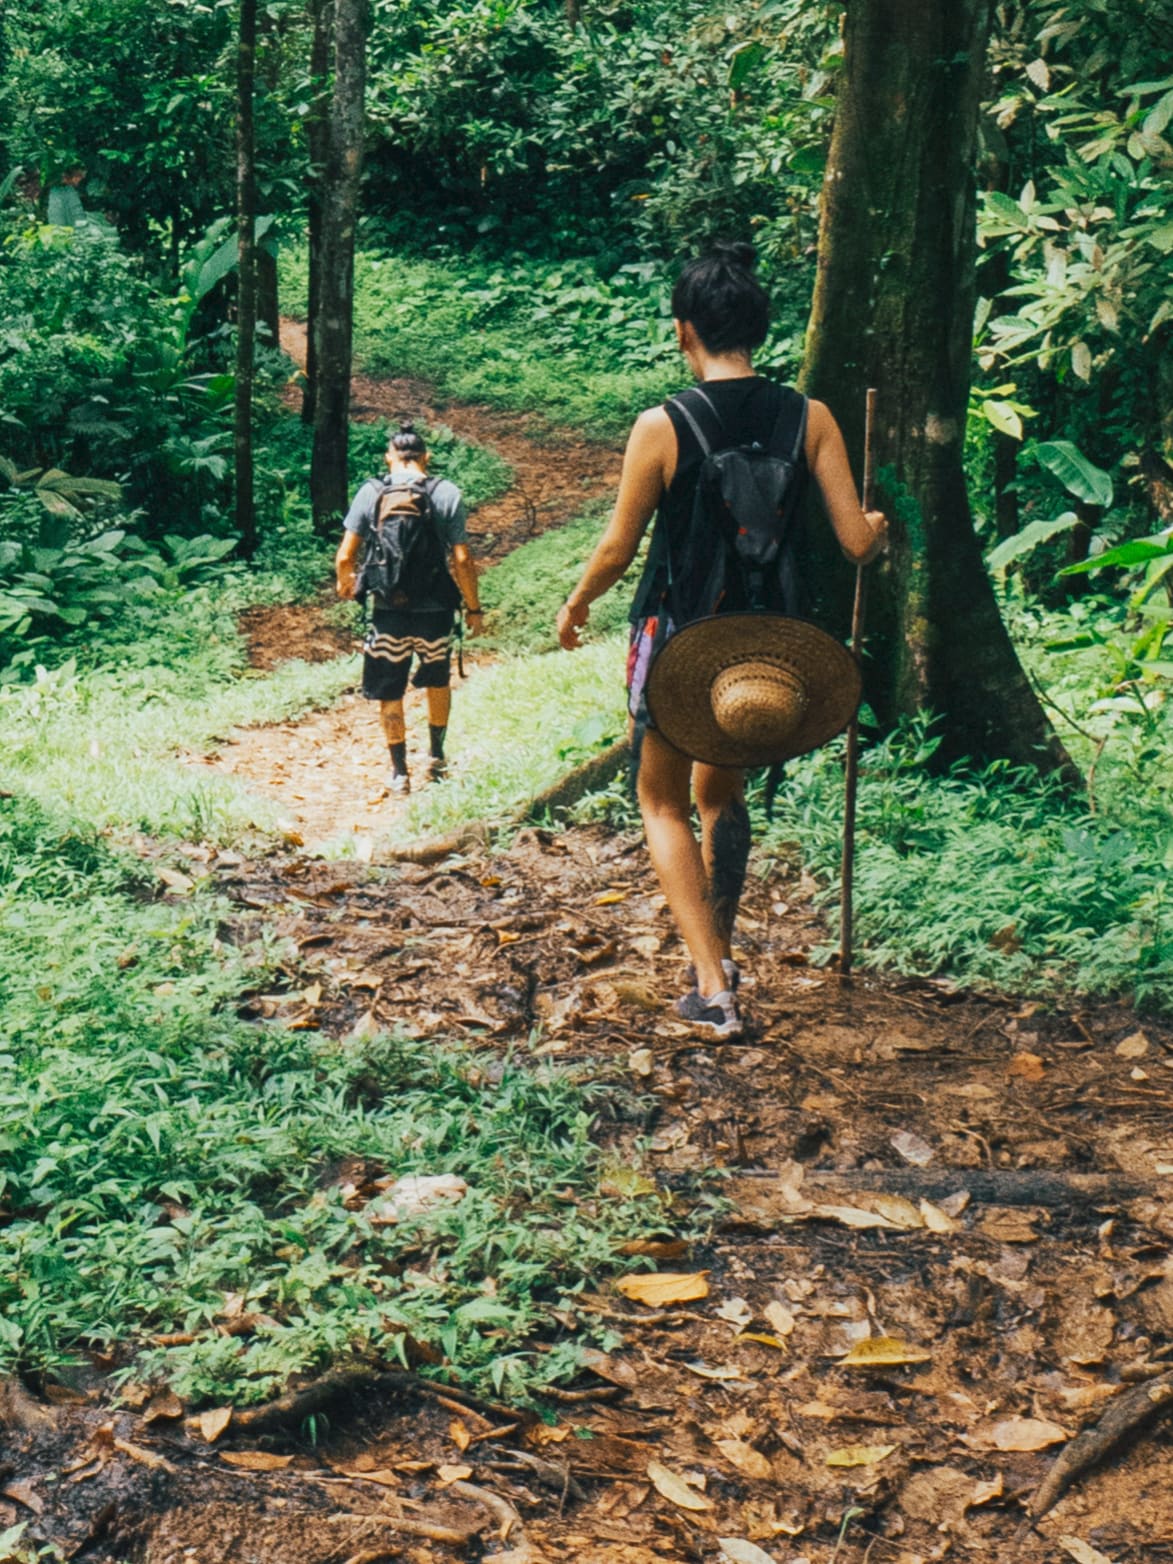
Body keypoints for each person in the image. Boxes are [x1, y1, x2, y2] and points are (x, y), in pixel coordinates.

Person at [556, 243, 887, 1039]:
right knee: (721, 792)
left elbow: (617, 548)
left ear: (683, 333)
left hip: (680, 641)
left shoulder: (660, 425)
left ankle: (710, 983)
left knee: (660, 799)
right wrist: (874, 527)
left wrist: (573, 609)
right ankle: (724, 947)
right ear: (758, 330)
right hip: (763, 650)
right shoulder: (811, 418)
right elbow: (853, 542)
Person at [336, 422, 484, 793]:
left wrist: (347, 584)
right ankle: (436, 757)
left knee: (390, 688)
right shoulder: (446, 492)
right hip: (435, 610)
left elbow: (344, 558)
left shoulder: (371, 492)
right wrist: (474, 607)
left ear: (390, 458)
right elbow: (462, 559)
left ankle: (399, 772)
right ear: (425, 458)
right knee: (437, 679)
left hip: (389, 609)